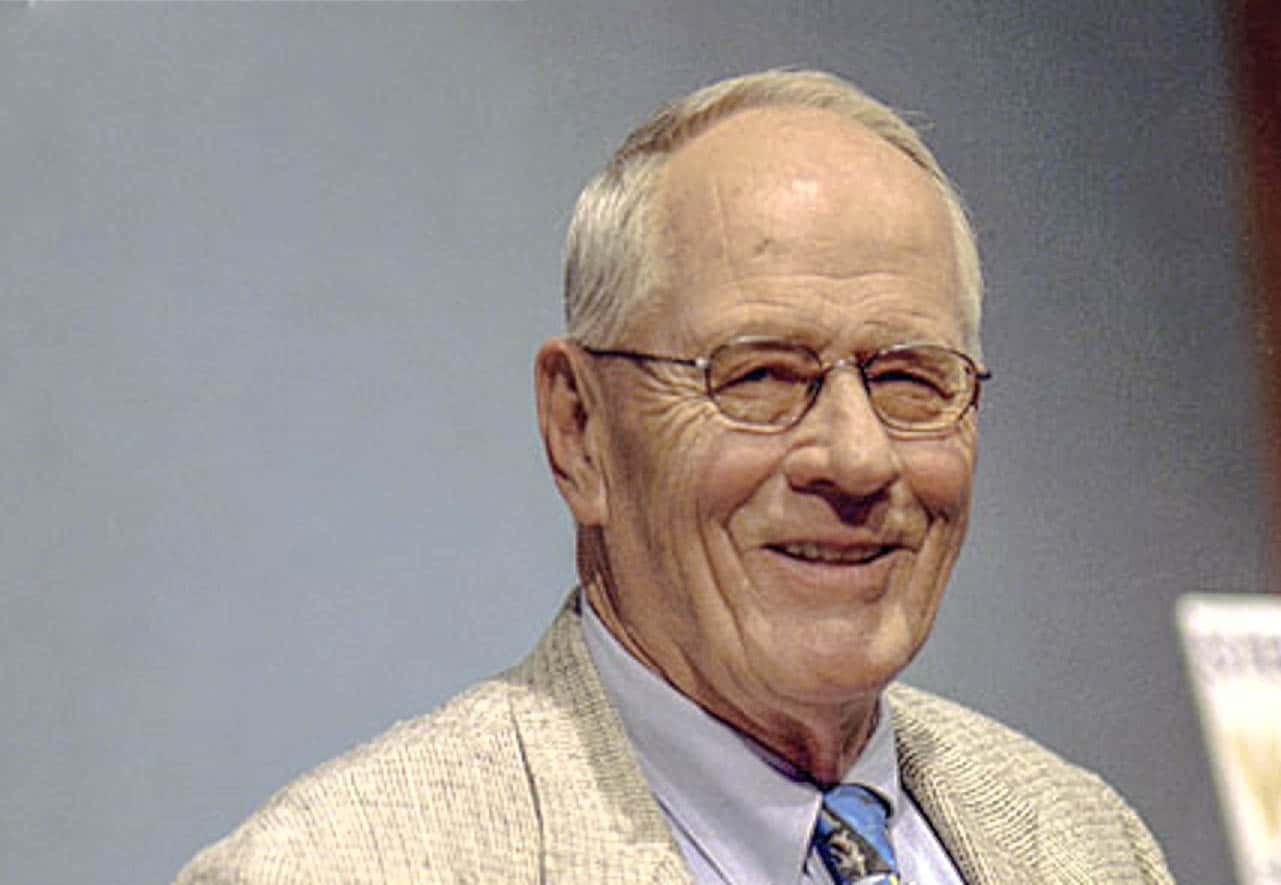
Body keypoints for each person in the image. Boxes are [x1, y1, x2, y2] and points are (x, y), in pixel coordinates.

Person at [177, 70, 1174, 884]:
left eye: (910, 379)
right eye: (759, 377)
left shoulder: (1085, 845)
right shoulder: (338, 868)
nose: (857, 458)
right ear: (580, 432)